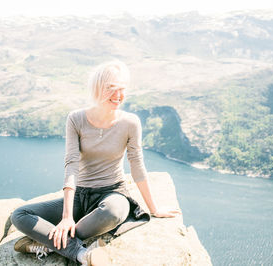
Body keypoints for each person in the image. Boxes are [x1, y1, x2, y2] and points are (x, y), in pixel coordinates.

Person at [10, 60, 180, 265]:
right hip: (80, 196)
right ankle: (80, 253)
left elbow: (136, 164)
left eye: (122, 90)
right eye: (111, 90)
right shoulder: (75, 119)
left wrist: (154, 209)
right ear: (98, 89)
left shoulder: (130, 122)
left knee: (114, 212)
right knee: (19, 215)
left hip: (113, 194)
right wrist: (66, 217)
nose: (118, 96)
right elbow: (71, 164)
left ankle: (49, 243)